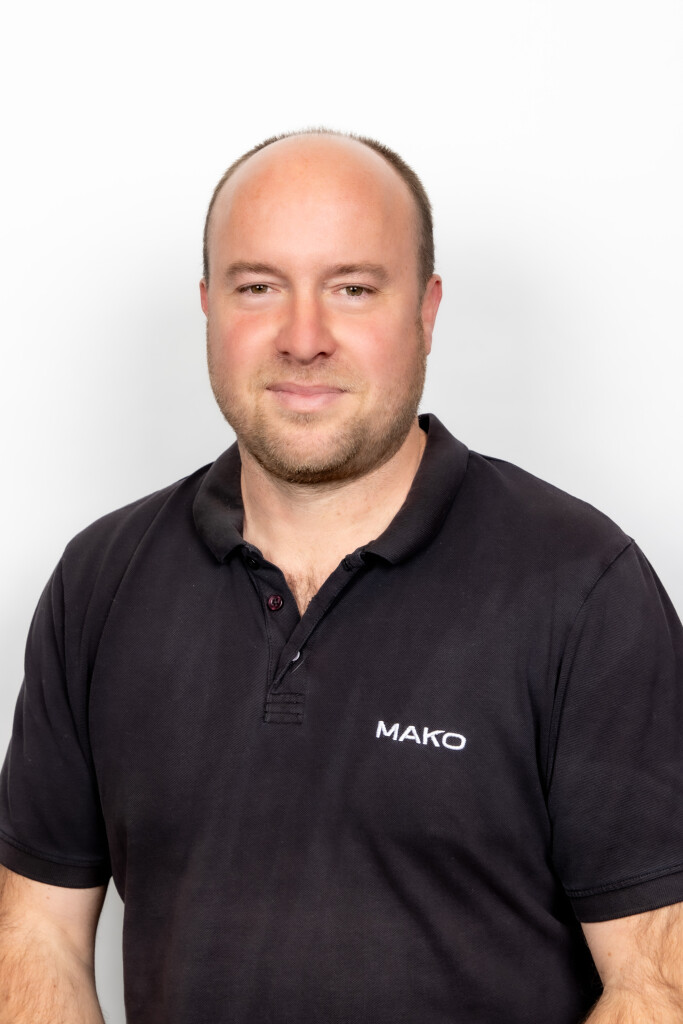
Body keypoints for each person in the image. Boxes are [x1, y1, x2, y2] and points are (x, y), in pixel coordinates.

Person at [1, 129, 682, 1024]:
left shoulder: (582, 588)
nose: (303, 339)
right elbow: (35, 934)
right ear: (207, 306)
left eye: (353, 288)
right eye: (257, 287)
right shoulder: (101, 580)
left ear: (426, 311)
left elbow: (659, 982)